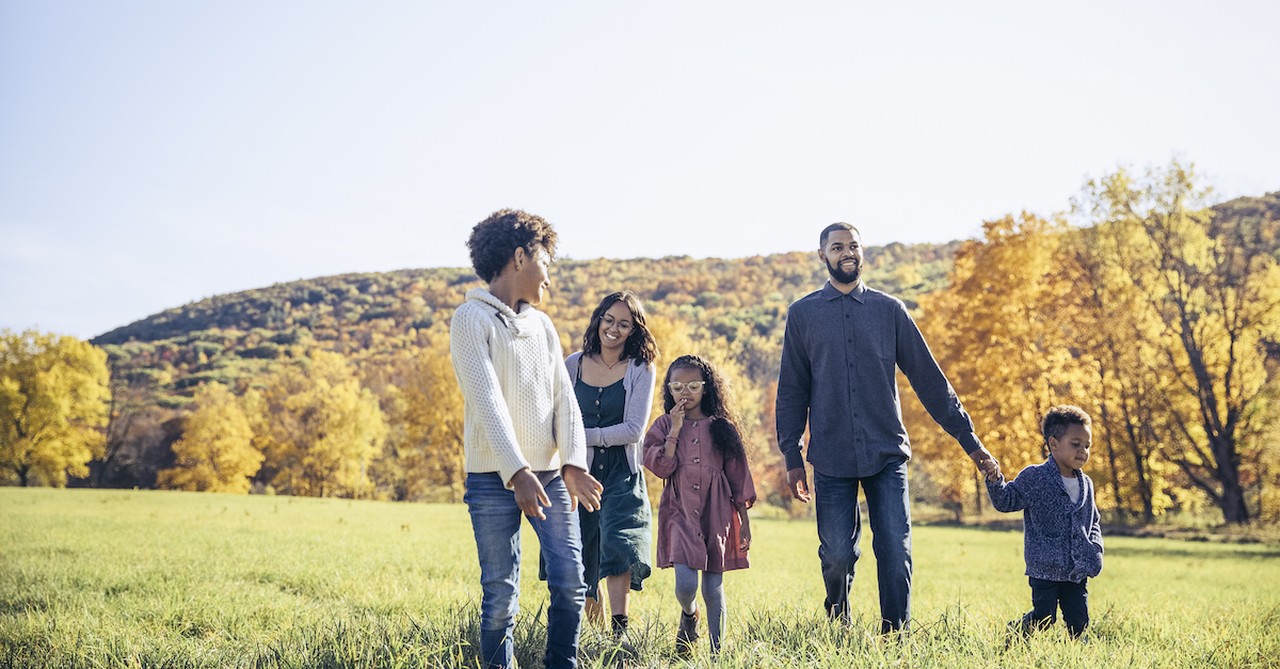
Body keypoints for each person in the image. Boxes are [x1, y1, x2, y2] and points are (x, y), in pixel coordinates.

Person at [775, 222, 1001, 633]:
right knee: (837, 554)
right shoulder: (802, 315)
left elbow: (931, 382)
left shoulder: (890, 311)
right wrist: (791, 455)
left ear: (863, 252)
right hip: (830, 455)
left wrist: (971, 443)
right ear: (822, 255)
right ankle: (838, 624)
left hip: (886, 454)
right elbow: (792, 390)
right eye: (838, 247)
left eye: (854, 246)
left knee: (896, 552)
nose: (847, 253)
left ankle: (895, 636)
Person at [450, 208, 603, 669]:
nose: (549, 278)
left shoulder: (543, 326)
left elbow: (564, 398)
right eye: (546, 263)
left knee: (570, 579)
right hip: (492, 478)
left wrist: (573, 462)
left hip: (551, 476)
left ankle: (563, 663)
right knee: (500, 591)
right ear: (520, 257)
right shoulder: (470, 319)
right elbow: (487, 401)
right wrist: (516, 472)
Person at [643, 354, 756, 657]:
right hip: (679, 510)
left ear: (707, 388)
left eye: (693, 386)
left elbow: (738, 475)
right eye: (677, 387)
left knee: (713, 587)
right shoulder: (664, 424)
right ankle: (689, 614)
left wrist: (744, 520)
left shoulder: (722, 427)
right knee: (685, 584)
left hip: (717, 511)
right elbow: (662, 467)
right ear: (669, 389)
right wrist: (675, 430)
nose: (685, 393)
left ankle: (717, 653)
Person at [564, 291, 659, 641]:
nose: (614, 329)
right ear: (598, 321)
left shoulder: (641, 368)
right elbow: (559, 420)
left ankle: (619, 633)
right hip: (579, 472)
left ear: (634, 330)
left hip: (622, 472)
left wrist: (582, 435)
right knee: (584, 552)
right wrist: (576, 443)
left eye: (624, 324)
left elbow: (634, 430)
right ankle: (596, 637)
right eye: (609, 320)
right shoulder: (573, 364)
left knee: (620, 546)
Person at [985, 405, 1103, 640]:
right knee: (1044, 618)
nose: (1083, 451)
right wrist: (996, 480)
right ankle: (1015, 632)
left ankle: (1078, 657)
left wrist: (1095, 549)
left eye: (1087, 446)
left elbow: (1093, 521)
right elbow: (1007, 501)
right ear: (1054, 444)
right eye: (1076, 444)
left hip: (1076, 569)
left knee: (1079, 622)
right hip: (1044, 567)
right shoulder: (1035, 477)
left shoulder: (1086, 483)